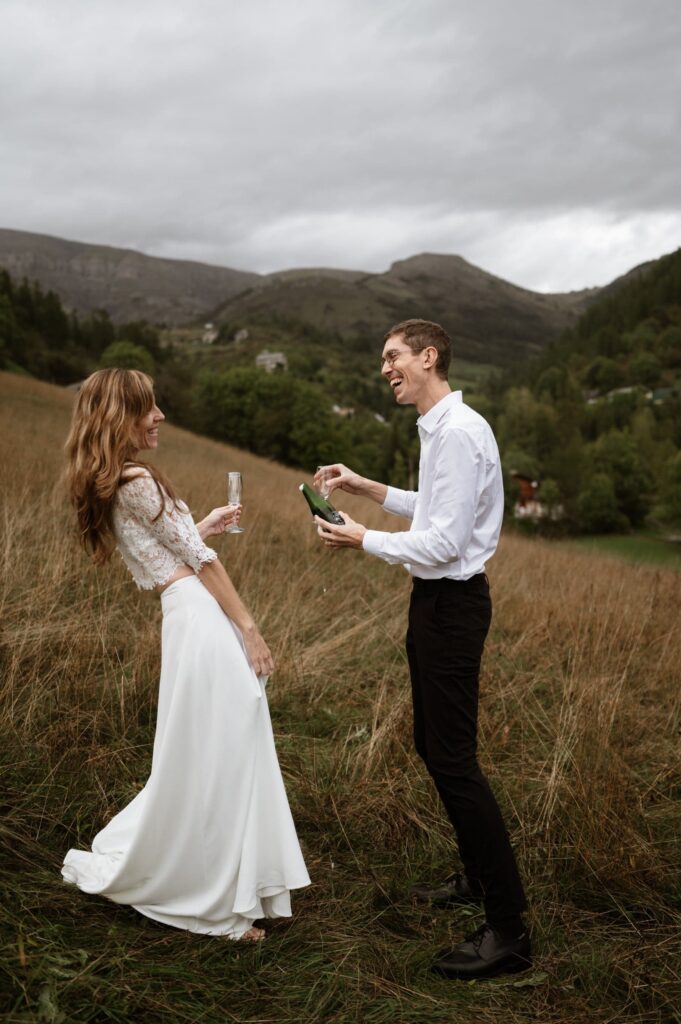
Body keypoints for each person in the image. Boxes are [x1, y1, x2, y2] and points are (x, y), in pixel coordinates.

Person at [314, 319, 530, 980]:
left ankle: (509, 933)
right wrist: (366, 489)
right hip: (433, 604)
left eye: (392, 356)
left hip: (453, 605)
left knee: (455, 762)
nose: (385, 369)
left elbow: (441, 544)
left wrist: (361, 540)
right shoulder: (438, 429)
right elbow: (434, 511)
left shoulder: (460, 433)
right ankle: (473, 876)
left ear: (427, 357)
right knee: (433, 748)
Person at [61, 368, 310, 941]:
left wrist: (204, 526)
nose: (160, 417)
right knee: (224, 745)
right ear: (122, 416)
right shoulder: (137, 479)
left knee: (215, 743)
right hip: (200, 619)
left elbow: (169, 552)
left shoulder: (114, 480)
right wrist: (249, 628)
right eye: (149, 408)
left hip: (186, 617)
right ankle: (214, 902)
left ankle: (230, 877)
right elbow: (199, 564)